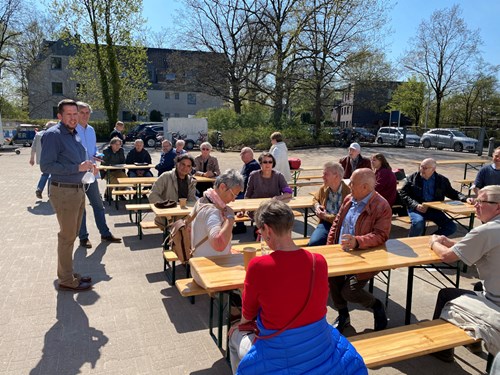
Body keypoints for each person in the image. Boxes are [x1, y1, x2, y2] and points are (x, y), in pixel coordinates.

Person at [228, 200, 367, 374]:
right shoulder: (319, 261)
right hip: (319, 343)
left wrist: (239, 324)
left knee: (233, 336)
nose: (261, 235)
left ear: (268, 230)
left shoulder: (258, 265)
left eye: (260, 230)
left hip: (279, 350)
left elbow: (247, 315)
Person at [428, 185, 500, 363]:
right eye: (476, 200)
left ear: (498, 206)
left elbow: (446, 257)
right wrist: (452, 243)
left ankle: (441, 349)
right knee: (477, 285)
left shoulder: (487, 230)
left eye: (481, 202)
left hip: (497, 302)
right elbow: (482, 250)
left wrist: (434, 241)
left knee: (446, 294)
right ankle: (474, 342)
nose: (475, 205)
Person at [326, 168, 392, 333]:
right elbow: (336, 224)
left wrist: (358, 242)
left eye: (353, 184)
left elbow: (381, 235)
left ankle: (376, 306)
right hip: (341, 253)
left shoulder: (381, 205)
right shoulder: (349, 198)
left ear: (365, 187)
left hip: (365, 257)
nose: (349, 187)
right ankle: (343, 316)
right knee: (333, 280)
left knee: (350, 291)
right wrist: (330, 249)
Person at [40, 99, 95, 291]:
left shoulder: (73, 134)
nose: (74, 117)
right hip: (64, 192)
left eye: (76, 113)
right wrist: (76, 167)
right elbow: (46, 166)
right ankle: (65, 279)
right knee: (67, 236)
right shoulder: (53, 135)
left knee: (71, 235)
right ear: (60, 116)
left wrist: (88, 166)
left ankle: (68, 272)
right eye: (69, 114)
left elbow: (76, 160)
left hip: (77, 189)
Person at [76, 102, 121, 248]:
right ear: (76, 113)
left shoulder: (91, 130)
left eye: (87, 112)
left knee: (98, 205)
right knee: (80, 208)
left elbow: (93, 149)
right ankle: (83, 237)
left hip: (92, 174)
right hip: (76, 175)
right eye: (82, 112)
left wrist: (97, 155)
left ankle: (105, 234)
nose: (85, 115)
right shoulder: (71, 130)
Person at [400, 158, 472, 237]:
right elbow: (403, 193)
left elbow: (452, 193)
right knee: (418, 223)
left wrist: (465, 198)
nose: (422, 170)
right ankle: (412, 242)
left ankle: (428, 240)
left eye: (425, 168)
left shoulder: (441, 180)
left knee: (451, 227)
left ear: (433, 169)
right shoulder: (412, 178)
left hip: (434, 209)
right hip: (416, 209)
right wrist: (415, 205)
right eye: (421, 167)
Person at [191, 169, 244, 258]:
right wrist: (230, 218)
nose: (233, 199)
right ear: (222, 187)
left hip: (200, 260)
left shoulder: (201, 201)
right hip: (211, 265)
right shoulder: (212, 211)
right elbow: (219, 244)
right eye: (233, 195)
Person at [149, 154, 197, 229]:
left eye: (188, 166)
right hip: (167, 216)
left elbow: (192, 200)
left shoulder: (191, 181)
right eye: (183, 164)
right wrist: (165, 207)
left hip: (184, 215)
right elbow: (152, 195)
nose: (185, 168)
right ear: (177, 164)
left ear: (191, 168)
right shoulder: (166, 176)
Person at [308, 162, 350, 246]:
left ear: (336, 176)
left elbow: (345, 217)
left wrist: (325, 216)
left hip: (342, 225)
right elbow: (315, 198)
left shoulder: (349, 192)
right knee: (314, 243)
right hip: (326, 223)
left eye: (325, 174)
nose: (322, 177)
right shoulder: (324, 188)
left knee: (342, 246)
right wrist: (317, 206)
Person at [233, 147, 261, 234]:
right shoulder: (247, 164)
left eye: (242, 154)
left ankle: (240, 226)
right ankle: (238, 224)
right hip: (244, 191)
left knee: (234, 201)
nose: (241, 157)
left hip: (251, 193)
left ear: (248, 154)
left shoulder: (254, 165)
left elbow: (248, 183)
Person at [30, 121, 57, 199]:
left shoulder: (38, 134)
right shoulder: (53, 134)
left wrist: (32, 158)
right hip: (51, 158)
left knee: (45, 174)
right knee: (51, 175)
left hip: (41, 159)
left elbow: (33, 147)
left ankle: (39, 188)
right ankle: (50, 193)